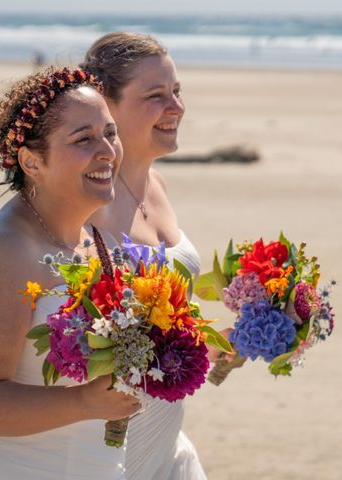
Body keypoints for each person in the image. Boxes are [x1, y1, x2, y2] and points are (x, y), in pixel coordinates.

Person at [0, 67, 140, 479]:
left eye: (110, 132)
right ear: (32, 162)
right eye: (83, 139)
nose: (107, 150)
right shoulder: (0, 253)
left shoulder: (95, 240)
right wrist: (84, 403)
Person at [83, 32, 234, 480]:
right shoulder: (82, 201)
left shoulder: (159, 186)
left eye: (177, 91)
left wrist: (211, 348)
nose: (176, 107)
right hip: (102, 444)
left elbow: (159, 322)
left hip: (165, 440)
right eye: (155, 95)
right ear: (105, 104)